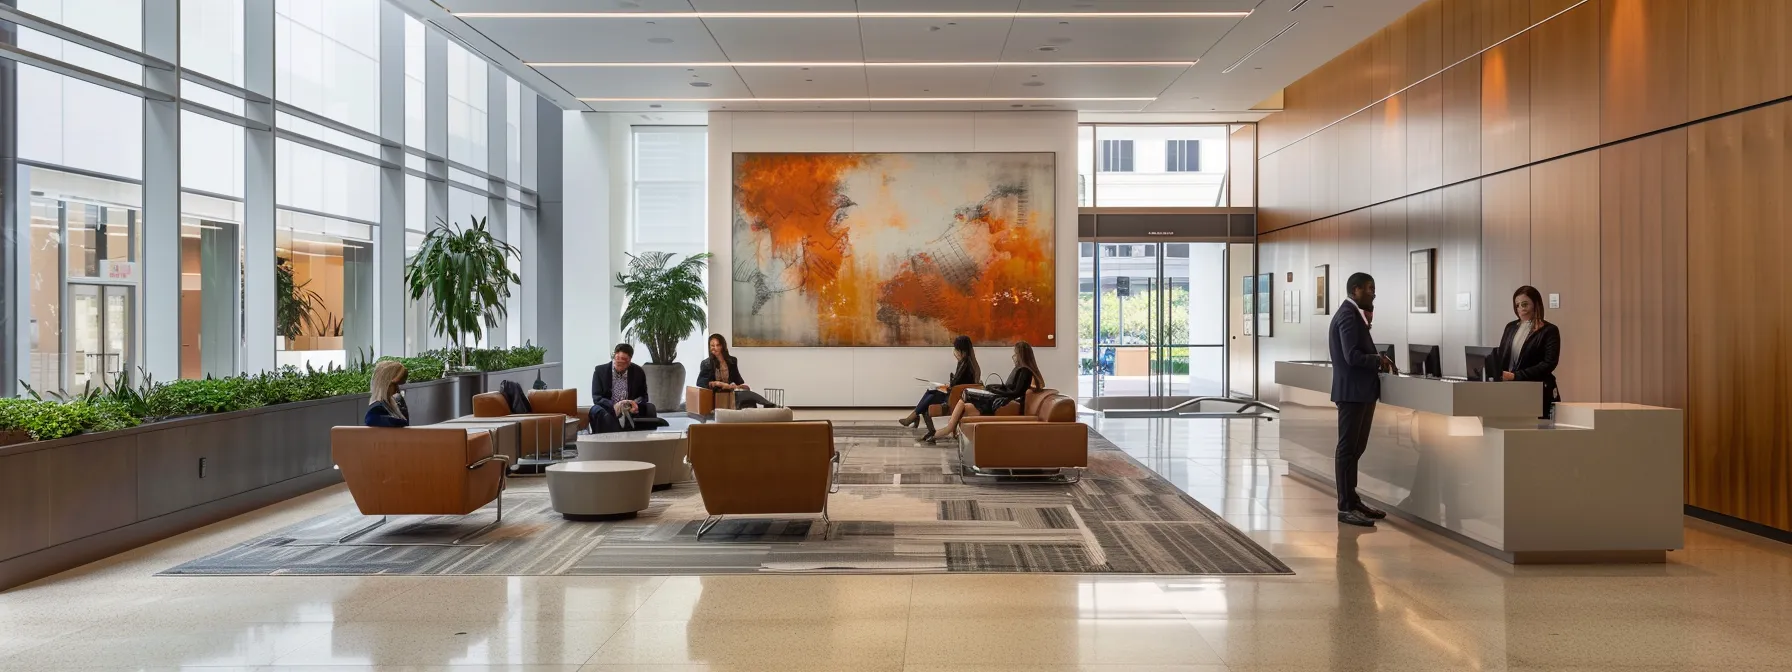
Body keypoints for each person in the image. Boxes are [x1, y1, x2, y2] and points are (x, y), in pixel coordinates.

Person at [1329, 272, 1394, 527]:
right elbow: (1351, 356)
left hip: (1361, 393)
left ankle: (1353, 500)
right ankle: (1345, 507)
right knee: (1347, 450)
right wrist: (1378, 360)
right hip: (1352, 394)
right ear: (1355, 290)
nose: (1373, 293)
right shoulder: (1347, 315)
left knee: (1356, 449)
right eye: (1369, 288)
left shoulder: (1353, 314)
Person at [929, 341, 1044, 444]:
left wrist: (995, 390)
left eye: (1015, 353)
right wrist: (995, 387)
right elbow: (1011, 388)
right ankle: (949, 429)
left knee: (967, 395)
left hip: (1004, 401)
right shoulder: (1020, 369)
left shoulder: (1024, 371)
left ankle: (947, 429)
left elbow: (1014, 392)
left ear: (1021, 355)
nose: (1014, 356)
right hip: (1003, 398)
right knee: (965, 403)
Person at [1491, 285, 1561, 420]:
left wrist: (1516, 376)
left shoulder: (1549, 330)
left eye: (1525, 304)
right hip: (1512, 391)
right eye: (1517, 305)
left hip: (1537, 391)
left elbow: (1549, 363)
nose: (1521, 309)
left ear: (1536, 304)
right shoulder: (1511, 327)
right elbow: (1502, 356)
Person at [899, 335, 981, 435]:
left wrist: (949, 382)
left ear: (960, 350)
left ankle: (914, 418)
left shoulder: (964, 363)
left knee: (931, 393)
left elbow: (955, 383)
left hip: (956, 397)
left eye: (956, 348)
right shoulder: (972, 363)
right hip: (959, 393)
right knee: (931, 391)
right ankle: (914, 417)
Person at [696, 334, 780, 409]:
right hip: (718, 394)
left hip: (731, 390)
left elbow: (737, 380)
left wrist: (738, 386)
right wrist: (718, 383)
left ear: (723, 346)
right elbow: (701, 383)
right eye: (712, 345)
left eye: (718, 345)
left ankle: (765, 408)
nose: (715, 348)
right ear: (709, 347)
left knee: (748, 396)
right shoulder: (706, 363)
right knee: (744, 395)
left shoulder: (732, 361)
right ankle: (769, 404)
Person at [590, 343, 660, 433]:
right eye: (617, 359)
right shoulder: (600, 371)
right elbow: (597, 397)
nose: (618, 363)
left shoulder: (638, 371)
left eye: (622, 361)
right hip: (609, 407)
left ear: (629, 361)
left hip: (629, 407)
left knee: (650, 408)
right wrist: (614, 406)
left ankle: (644, 441)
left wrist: (634, 403)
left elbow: (644, 396)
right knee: (596, 410)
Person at [364, 360, 410, 427]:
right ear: (386, 385)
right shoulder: (377, 408)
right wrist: (399, 422)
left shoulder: (397, 401)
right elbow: (371, 419)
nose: (397, 389)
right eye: (394, 385)